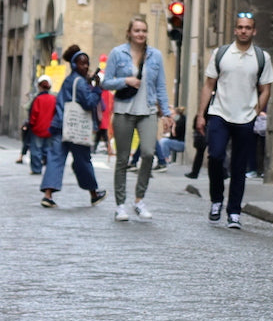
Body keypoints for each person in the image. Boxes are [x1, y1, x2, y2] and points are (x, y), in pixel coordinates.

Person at [194, 11, 273, 229]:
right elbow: (208, 85)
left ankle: (234, 211)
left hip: (246, 117)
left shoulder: (261, 57)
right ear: (235, 30)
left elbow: (265, 88)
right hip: (220, 113)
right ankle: (217, 199)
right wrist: (201, 114)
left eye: (248, 27)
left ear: (254, 31)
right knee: (216, 157)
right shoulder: (221, 54)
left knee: (239, 166)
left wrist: (257, 110)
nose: (243, 31)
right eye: (240, 27)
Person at [103, 17, 174, 222]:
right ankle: (120, 205)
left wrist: (167, 114)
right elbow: (106, 83)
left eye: (143, 30)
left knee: (149, 153)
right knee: (123, 159)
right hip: (124, 111)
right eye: (137, 30)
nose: (140, 34)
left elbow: (161, 85)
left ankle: (139, 200)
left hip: (148, 110)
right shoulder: (118, 53)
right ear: (129, 32)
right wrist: (126, 80)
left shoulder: (155, 55)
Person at [40, 49, 108, 209]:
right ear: (74, 64)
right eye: (81, 63)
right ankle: (93, 193)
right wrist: (97, 88)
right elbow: (89, 103)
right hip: (76, 127)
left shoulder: (69, 80)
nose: (85, 66)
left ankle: (47, 195)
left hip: (60, 125)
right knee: (83, 161)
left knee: (56, 159)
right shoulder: (80, 82)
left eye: (87, 63)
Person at [26, 77, 56, 175]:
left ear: (39, 87)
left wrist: (31, 124)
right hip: (50, 128)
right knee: (48, 150)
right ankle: (49, 168)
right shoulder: (53, 99)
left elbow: (34, 114)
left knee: (36, 150)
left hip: (38, 128)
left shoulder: (38, 99)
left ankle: (36, 169)